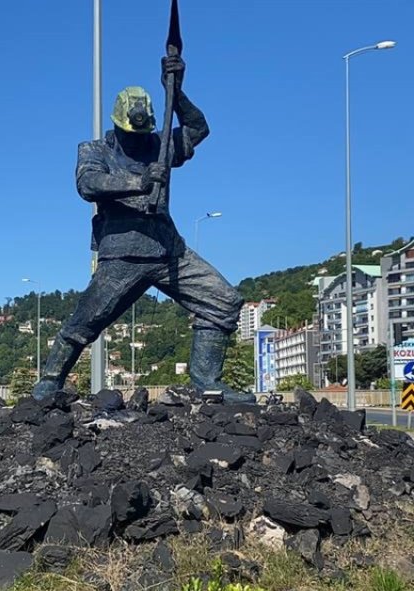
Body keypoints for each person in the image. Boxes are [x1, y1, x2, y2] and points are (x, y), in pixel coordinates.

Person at [31, 54, 250, 403]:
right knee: (85, 321)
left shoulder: (159, 145)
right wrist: (140, 179)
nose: (137, 139)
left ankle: (206, 382)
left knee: (223, 301)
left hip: (167, 249)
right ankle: (49, 382)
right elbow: (89, 184)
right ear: (117, 125)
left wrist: (176, 93)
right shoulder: (95, 149)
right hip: (123, 252)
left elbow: (198, 129)